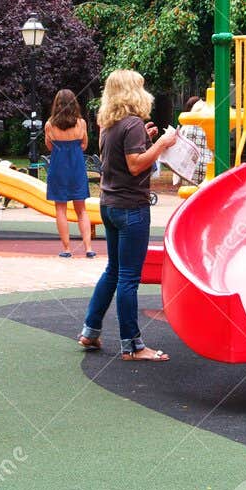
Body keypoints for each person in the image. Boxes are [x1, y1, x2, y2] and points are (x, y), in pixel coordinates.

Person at [79, 70, 174, 361]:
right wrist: (160, 145)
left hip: (109, 204)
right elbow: (134, 166)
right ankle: (132, 346)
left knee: (114, 272)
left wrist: (145, 140)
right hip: (131, 206)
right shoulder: (132, 123)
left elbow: (119, 158)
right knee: (129, 277)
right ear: (134, 92)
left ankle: (90, 331)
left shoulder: (109, 125)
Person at [44, 88, 95, 258]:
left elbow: (49, 146)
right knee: (82, 210)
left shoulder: (50, 125)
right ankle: (88, 248)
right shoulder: (81, 123)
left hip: (58, 167)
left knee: (61, 210)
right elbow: (84, 145)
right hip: (76, 167)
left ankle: (66, 249)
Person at [174, 95, 210, 187]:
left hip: (190, 169)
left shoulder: (186, 127)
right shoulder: (210, 125)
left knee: (190, 195)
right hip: (208, 167)